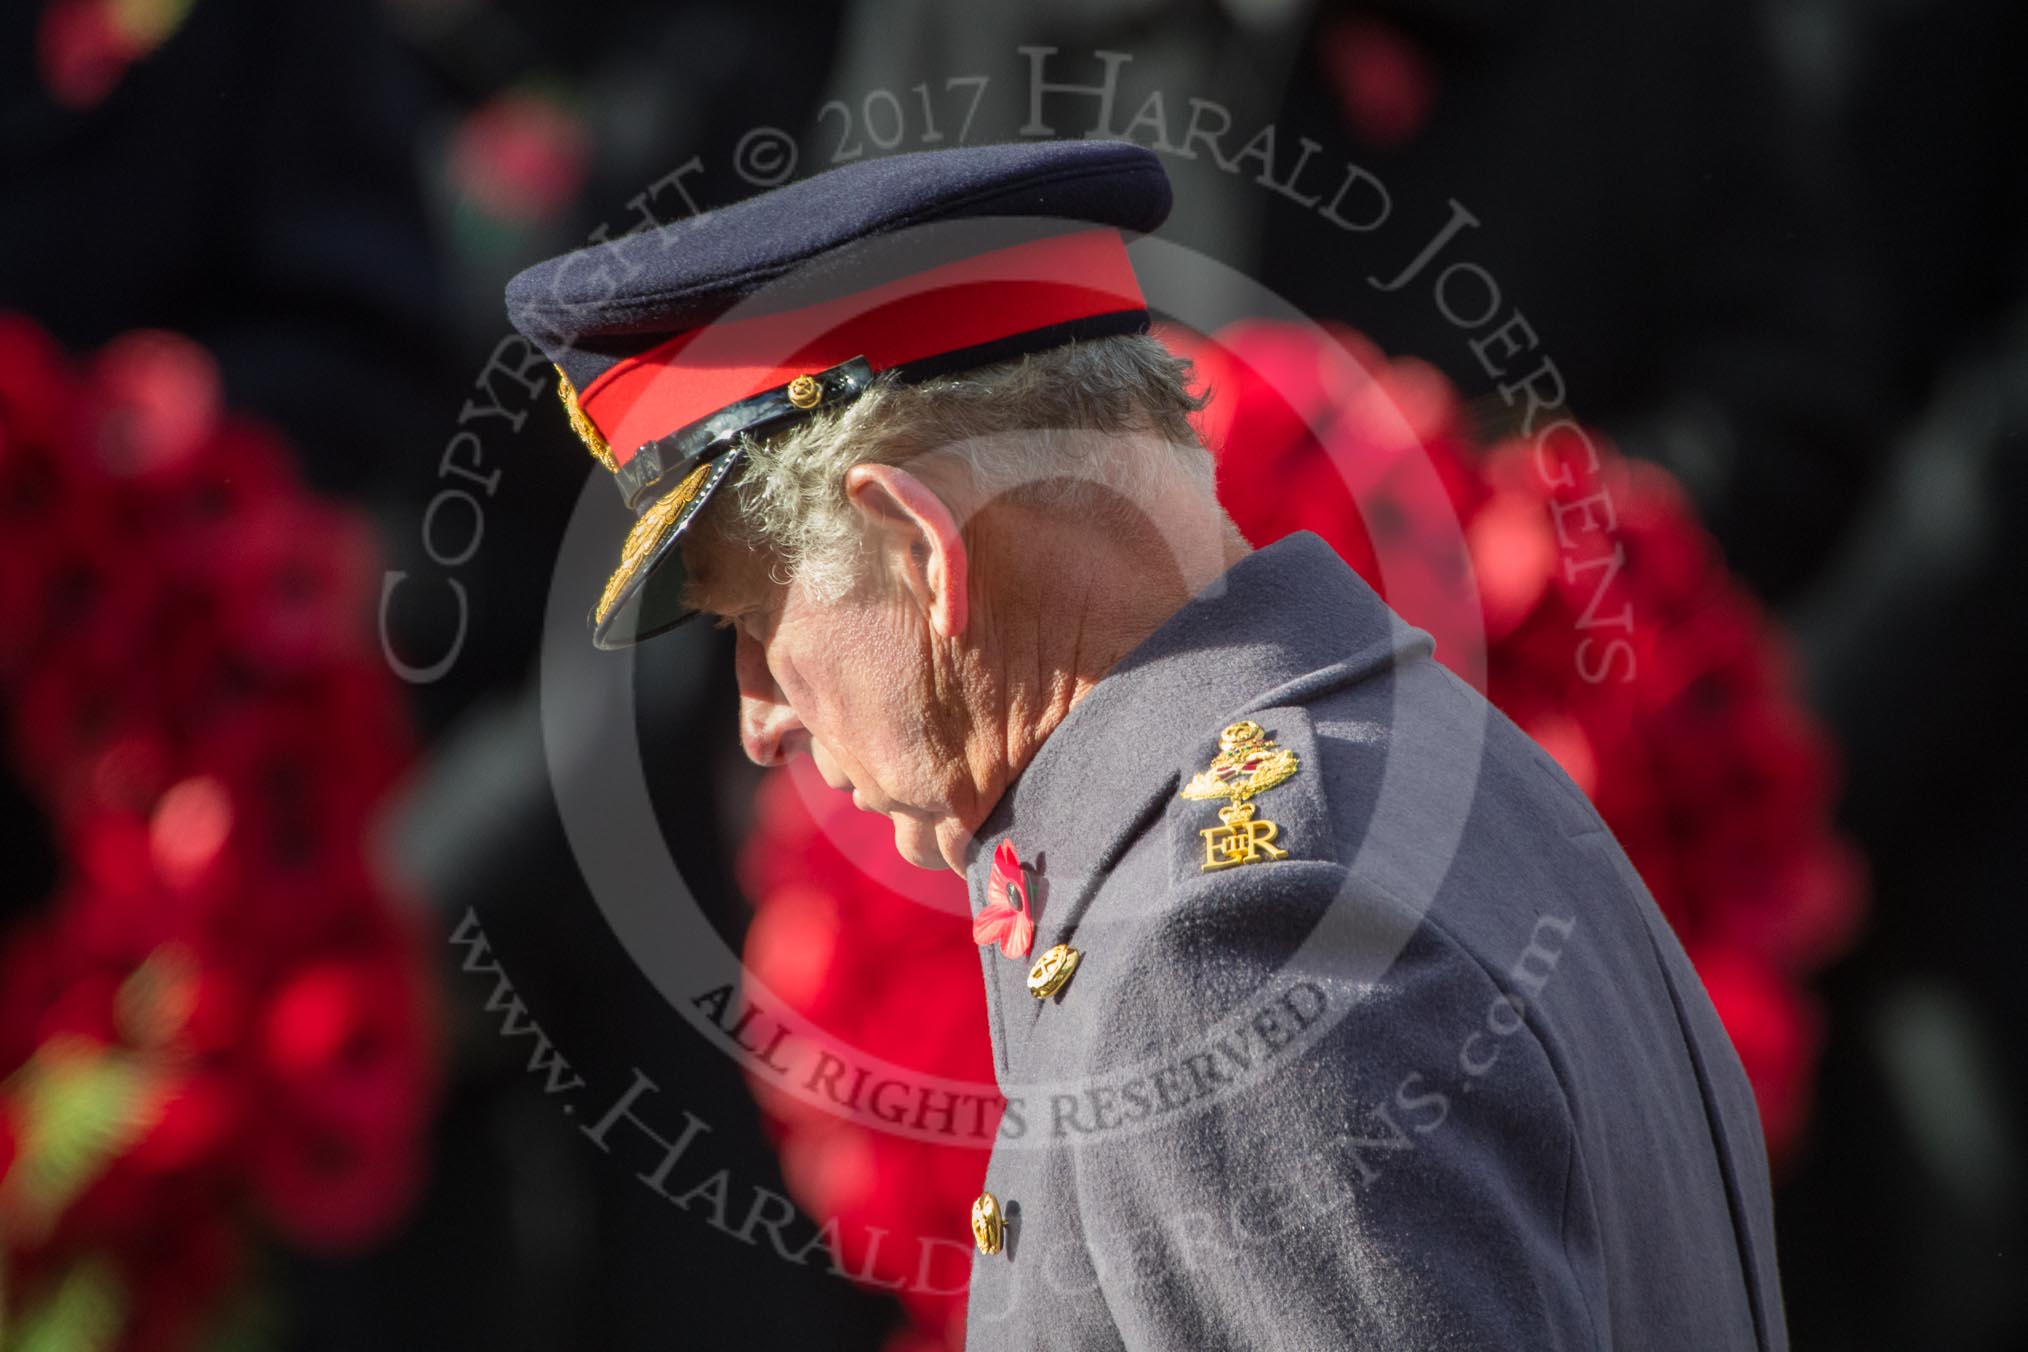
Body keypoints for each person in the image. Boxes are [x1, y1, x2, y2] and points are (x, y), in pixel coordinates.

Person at [505, 140, 1786, 1349]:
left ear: (918, 547)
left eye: (751, 616)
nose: (756, 712)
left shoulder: (1222, 948)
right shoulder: (1444, 765)